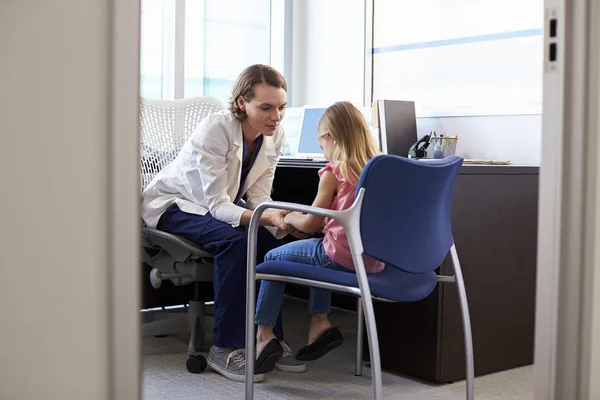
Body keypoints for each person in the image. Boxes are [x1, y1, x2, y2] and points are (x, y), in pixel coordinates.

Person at [141, 64, 307, 382]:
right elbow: (218, 205)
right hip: (174, 205)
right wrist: (268, 217)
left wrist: (281, 223)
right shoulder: (217, 128)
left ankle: (267, 337)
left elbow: (258, 200)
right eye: (266, 107)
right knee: (237, 241)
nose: (276, 116)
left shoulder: (275, 136)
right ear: (243, 103)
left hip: (216, 207)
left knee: (273, 244)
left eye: (282, 107)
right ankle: (225, 347)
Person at [253, 101, 386, 365]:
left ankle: (264, 336)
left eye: (322, 145)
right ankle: (319, 323)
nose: (323, 152)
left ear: (331, 138)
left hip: (339, 256)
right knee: (318, 248)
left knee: (272, 260)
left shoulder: (334, 171)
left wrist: (286, 217)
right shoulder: (381, 169)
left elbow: (311, 222)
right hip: (372, 259)